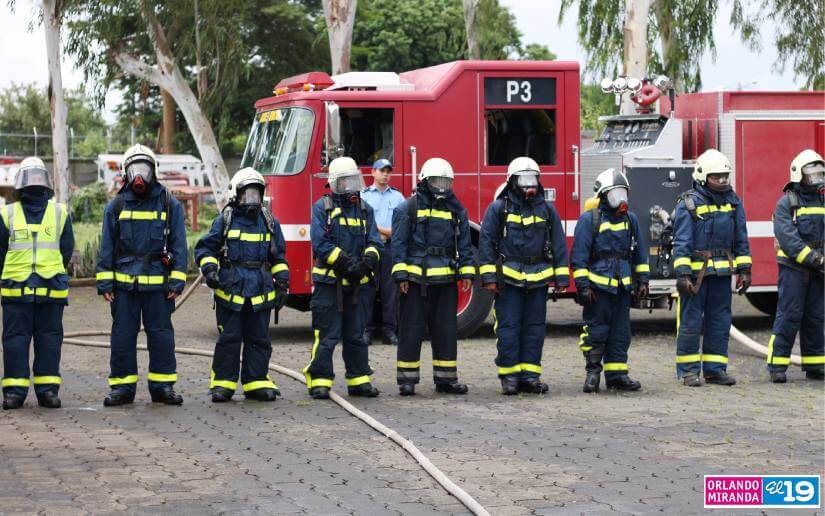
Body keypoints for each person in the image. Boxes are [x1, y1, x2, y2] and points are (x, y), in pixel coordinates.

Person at [95, 144, 188, 406]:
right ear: (125, 172)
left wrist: (178, 280)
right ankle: (122, 388)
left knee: (161, 336)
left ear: (153, 171)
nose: (140, 176)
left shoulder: (170, 204)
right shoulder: (117, 205)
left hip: (159, 288)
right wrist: (105, 281)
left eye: (144, 169)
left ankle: (162, 387)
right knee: (123, 336)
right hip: (125, 288)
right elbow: (107, 246)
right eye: (135, 169)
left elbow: (180, 245)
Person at [195, 168, 289, 402]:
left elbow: (278, 257)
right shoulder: (225, 220)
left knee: (259, 338)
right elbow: (206, 248)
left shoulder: (268, 222)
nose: (252, 200)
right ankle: (223, 385)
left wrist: (283, 285)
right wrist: (210, 270)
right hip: (231, 290)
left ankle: (256, 382)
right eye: (247, 194)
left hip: (260, 290)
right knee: (230, 338)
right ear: (236, 195)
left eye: (256, 194)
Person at [478, 156, 569, 395]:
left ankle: (529, 376)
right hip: (509, 281)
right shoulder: (499, 208)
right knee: (508, 327)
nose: (529, 184)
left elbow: (559, 243)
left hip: (538, 279)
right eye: (523, 179)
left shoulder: (547, 210)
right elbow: (487, 242)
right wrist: (488, 278)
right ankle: (509, 377)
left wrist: (561, 278)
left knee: (535, 328)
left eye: (533, 178)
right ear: (512, 181)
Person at [391, 157, 476, 396]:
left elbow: (465, 244)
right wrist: (401, 276)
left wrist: (467, 271)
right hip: (415, 281)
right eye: (437, 181)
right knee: (411, 329)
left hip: (446, 280)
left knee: (446, 331)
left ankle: (446, 380)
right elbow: (398, 245)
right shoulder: (408, 208)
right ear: (425, 181)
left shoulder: (456, 209)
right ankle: (407, 381)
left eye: (445, 182)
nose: (441, 187)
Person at [303, 156, 383, 399]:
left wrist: (367, 262)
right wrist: (346, 263)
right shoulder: (322, 208)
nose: (350, 186)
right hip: (330, 285)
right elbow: (320, 244)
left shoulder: (365, 209)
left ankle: (359, 380)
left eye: (353, 180)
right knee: (326, 334)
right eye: (345, 181)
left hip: (357, 285)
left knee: (357, 334)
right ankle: (319, 380)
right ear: (335, 183)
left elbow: (374, 241)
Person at [673, 149, 751, 387]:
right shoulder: (689, 203)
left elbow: (741, 239)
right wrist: (683, 274)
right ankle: (688, 371)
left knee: (720, 322)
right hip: (696, 276)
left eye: (725, 177)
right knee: (691, 322)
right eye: (716, 177)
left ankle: (715, 370)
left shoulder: (733, 202)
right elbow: (682, 241)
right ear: (702, 176)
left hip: (721, 274)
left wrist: (744, 270)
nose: (722, 181)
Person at [0, 158, 74, 410]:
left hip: (43, 292)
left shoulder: (59, 213)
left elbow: (66, 250)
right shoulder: (7, 213)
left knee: (42, 341)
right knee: (21, 341)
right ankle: (32, 391)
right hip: (21, 292)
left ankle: (35, 391)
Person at [570, 168, 649, 393]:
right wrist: (583, 287)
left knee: (621, 332)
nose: (621, 200)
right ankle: (593, 373)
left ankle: (617, 375)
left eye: (623, 193)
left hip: (622, 288)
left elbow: (639, 253)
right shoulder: (589, 220)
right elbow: (579, 257)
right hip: (598, 288)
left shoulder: (630, 220)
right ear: (603, 196)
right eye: (616, 195)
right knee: (596, 330)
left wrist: (642, 280)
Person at [766, 149, 824, 382]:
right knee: (789, 315)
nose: (817, 179)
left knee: (816, 317)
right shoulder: (786, 204)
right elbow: (789, 240)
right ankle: (777, 366)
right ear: (798, 175)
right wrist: (816, 259)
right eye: (812, 174)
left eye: (820, 174)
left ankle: (815, 364)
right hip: (794, 269)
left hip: (818, 270)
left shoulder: (822, 200)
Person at [360, 158, 405, 345]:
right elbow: (361, 225)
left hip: (389, 248)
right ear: (372, 172)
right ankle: (366, 330)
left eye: (388, 171)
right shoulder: (363, 196)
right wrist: (380, 231)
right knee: (367, 290)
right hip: (369, 249)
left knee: (390, 291)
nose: (385, 174)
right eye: (381, 171)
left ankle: (389, 331)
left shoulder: (398, 198)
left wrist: (379, 230)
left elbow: (402, 227)